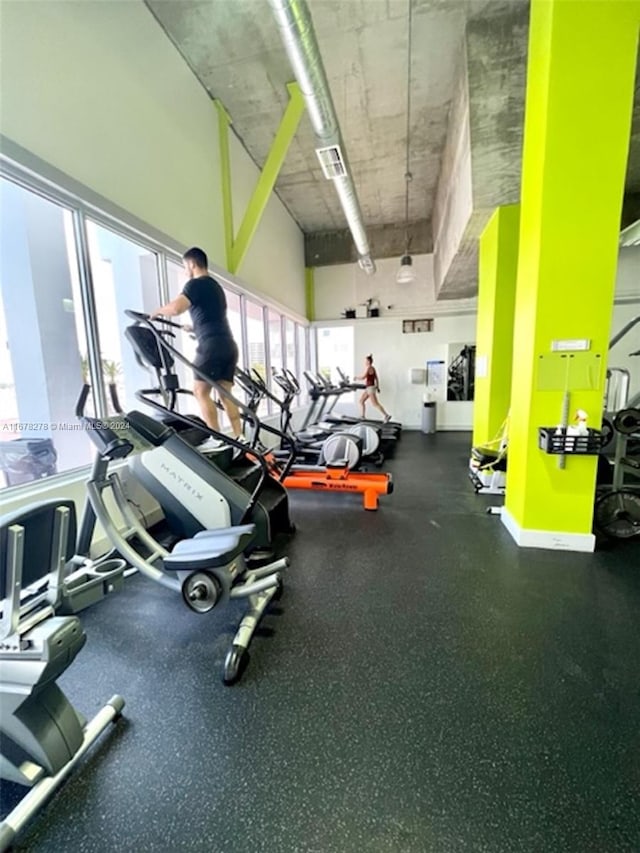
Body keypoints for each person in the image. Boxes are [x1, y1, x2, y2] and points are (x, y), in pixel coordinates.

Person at [151, 246, 244, 443]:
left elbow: (176, 308)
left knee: (200, 391)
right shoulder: (215, 287)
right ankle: (240, 437)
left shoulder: (194, 285)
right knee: (226, 395)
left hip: (211, 346)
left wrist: (159, 311)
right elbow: (212, 317)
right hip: (228, 345)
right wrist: (195, 328)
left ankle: (217, 439)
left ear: (192, 264)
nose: (185, 271)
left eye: (185, 266)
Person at [355, 354, 391, 422]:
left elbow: (363, 377)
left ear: (368, 361)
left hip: (370, 389)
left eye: (366, 361)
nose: (365, 362)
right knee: (361, 401)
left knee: (375, 404)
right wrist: (377, 387)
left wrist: (356, 377)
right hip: (369, 388)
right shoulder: (373, 368)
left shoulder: (368, 368)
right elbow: (376, 378)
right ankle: (362, 416)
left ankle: (386, 415)